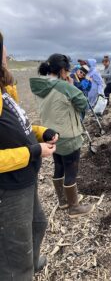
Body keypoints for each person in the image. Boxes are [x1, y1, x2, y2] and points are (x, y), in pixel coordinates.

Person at [0, 38, 58, 280]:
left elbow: (19, 124)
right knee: (15, 251)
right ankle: (21, 271)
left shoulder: (4, 90)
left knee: (38, 224)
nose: (6, 54)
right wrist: (34, 151)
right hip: (8, 188)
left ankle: (31, 263)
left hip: (25, 178)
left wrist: (40, 132)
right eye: (3, 49)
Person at [30, 54, 95, 218]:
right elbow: (83, 104)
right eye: (67, 71)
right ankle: (74, 207)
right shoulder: (64, 86)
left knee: (58, 166)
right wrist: (72, 85)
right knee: (71, 170)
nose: (68, 74)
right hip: (68, 135)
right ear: (61, 70)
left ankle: (63, 201)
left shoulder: (40, 85)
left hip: (50, 134)